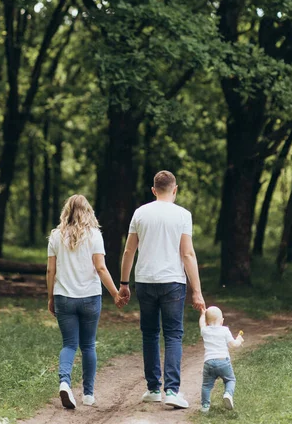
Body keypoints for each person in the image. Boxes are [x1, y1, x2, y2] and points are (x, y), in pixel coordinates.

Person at [119, 170, 205, 409]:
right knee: (173, 334)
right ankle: (172, 391)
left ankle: (153, 388)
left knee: (149, 334)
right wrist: (196, 290)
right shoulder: (182, 215)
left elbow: (129, 251)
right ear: (175, 190)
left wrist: (124, 284)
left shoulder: (140, 213)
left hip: (145, 281)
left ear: (154, 190)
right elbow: (187, 254)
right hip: (173, 282)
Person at [46, 194, 122, 410]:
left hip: (64, 297)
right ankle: (88, 394)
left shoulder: (56, 236)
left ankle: (64, 382)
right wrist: (115, 293)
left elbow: (51, 270)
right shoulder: (95, 235)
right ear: (88, 212)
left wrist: (51, 296)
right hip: (89, 297)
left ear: (66, 212)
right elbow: (101, 268)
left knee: (69, 344)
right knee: (88, 345)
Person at [199, 305, 244, 414]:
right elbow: (233, 345)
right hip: (223, 361)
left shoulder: (205, 330)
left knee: (206, 385)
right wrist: (239, 339)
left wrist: (202, 314)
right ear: (222, 321)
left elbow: (201, 323)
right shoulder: (224, 330)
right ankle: (228, 394)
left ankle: (205, 406)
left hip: (208, 362)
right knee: (230, 380)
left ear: (206, 321)